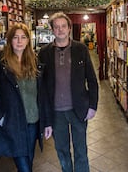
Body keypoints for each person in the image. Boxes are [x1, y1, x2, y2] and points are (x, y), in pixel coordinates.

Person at [0, 23, 52, 172]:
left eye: (23, 37)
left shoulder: (34, 61)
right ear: (9, 40)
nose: (19, 41)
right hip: (13, 124)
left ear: (28, 41)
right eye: (16, 37)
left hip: (33, 123)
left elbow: (42, 95)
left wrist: (47, 122)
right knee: (25, 168)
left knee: (28, 162)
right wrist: (1, 118)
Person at [38, 12, 99, 172]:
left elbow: (92, 80)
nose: (60, 30)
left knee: (81, 151)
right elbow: (41, 88)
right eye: (56, 27)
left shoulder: (81, 49)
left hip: (78, 110)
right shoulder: (43, 53)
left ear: (69, 28)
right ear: (51, 30)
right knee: (62, 151)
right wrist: (46, 119)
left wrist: (92, 106)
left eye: (63, 26)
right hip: (56, 112)